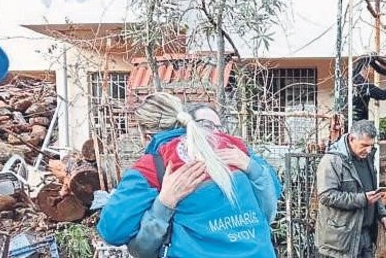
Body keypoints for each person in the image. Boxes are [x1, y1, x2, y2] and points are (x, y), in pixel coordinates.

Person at [97, 93, 281, 258]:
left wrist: (162, 204)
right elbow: (274, 190)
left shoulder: (152, 167)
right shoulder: (233, 147)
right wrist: (251, 167)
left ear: (145, 135)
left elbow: (112, 230)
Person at [315, 120, 386, 258]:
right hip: (341, 240)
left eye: (371, 145)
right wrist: (362, 199)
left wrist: (382, 214)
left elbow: (373, 191)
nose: (368, 150)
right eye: (364, 145)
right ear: (351, 138)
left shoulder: (367, 159)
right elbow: (326, 196)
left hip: (366, 235)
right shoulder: (332, 160)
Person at [350, 55, 386, 122]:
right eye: (372, 66)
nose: (374, 69)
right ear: (366, 67)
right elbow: (382, 95)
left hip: (350, 119)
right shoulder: (363, 84)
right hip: (358, 121)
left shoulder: (353, 81)